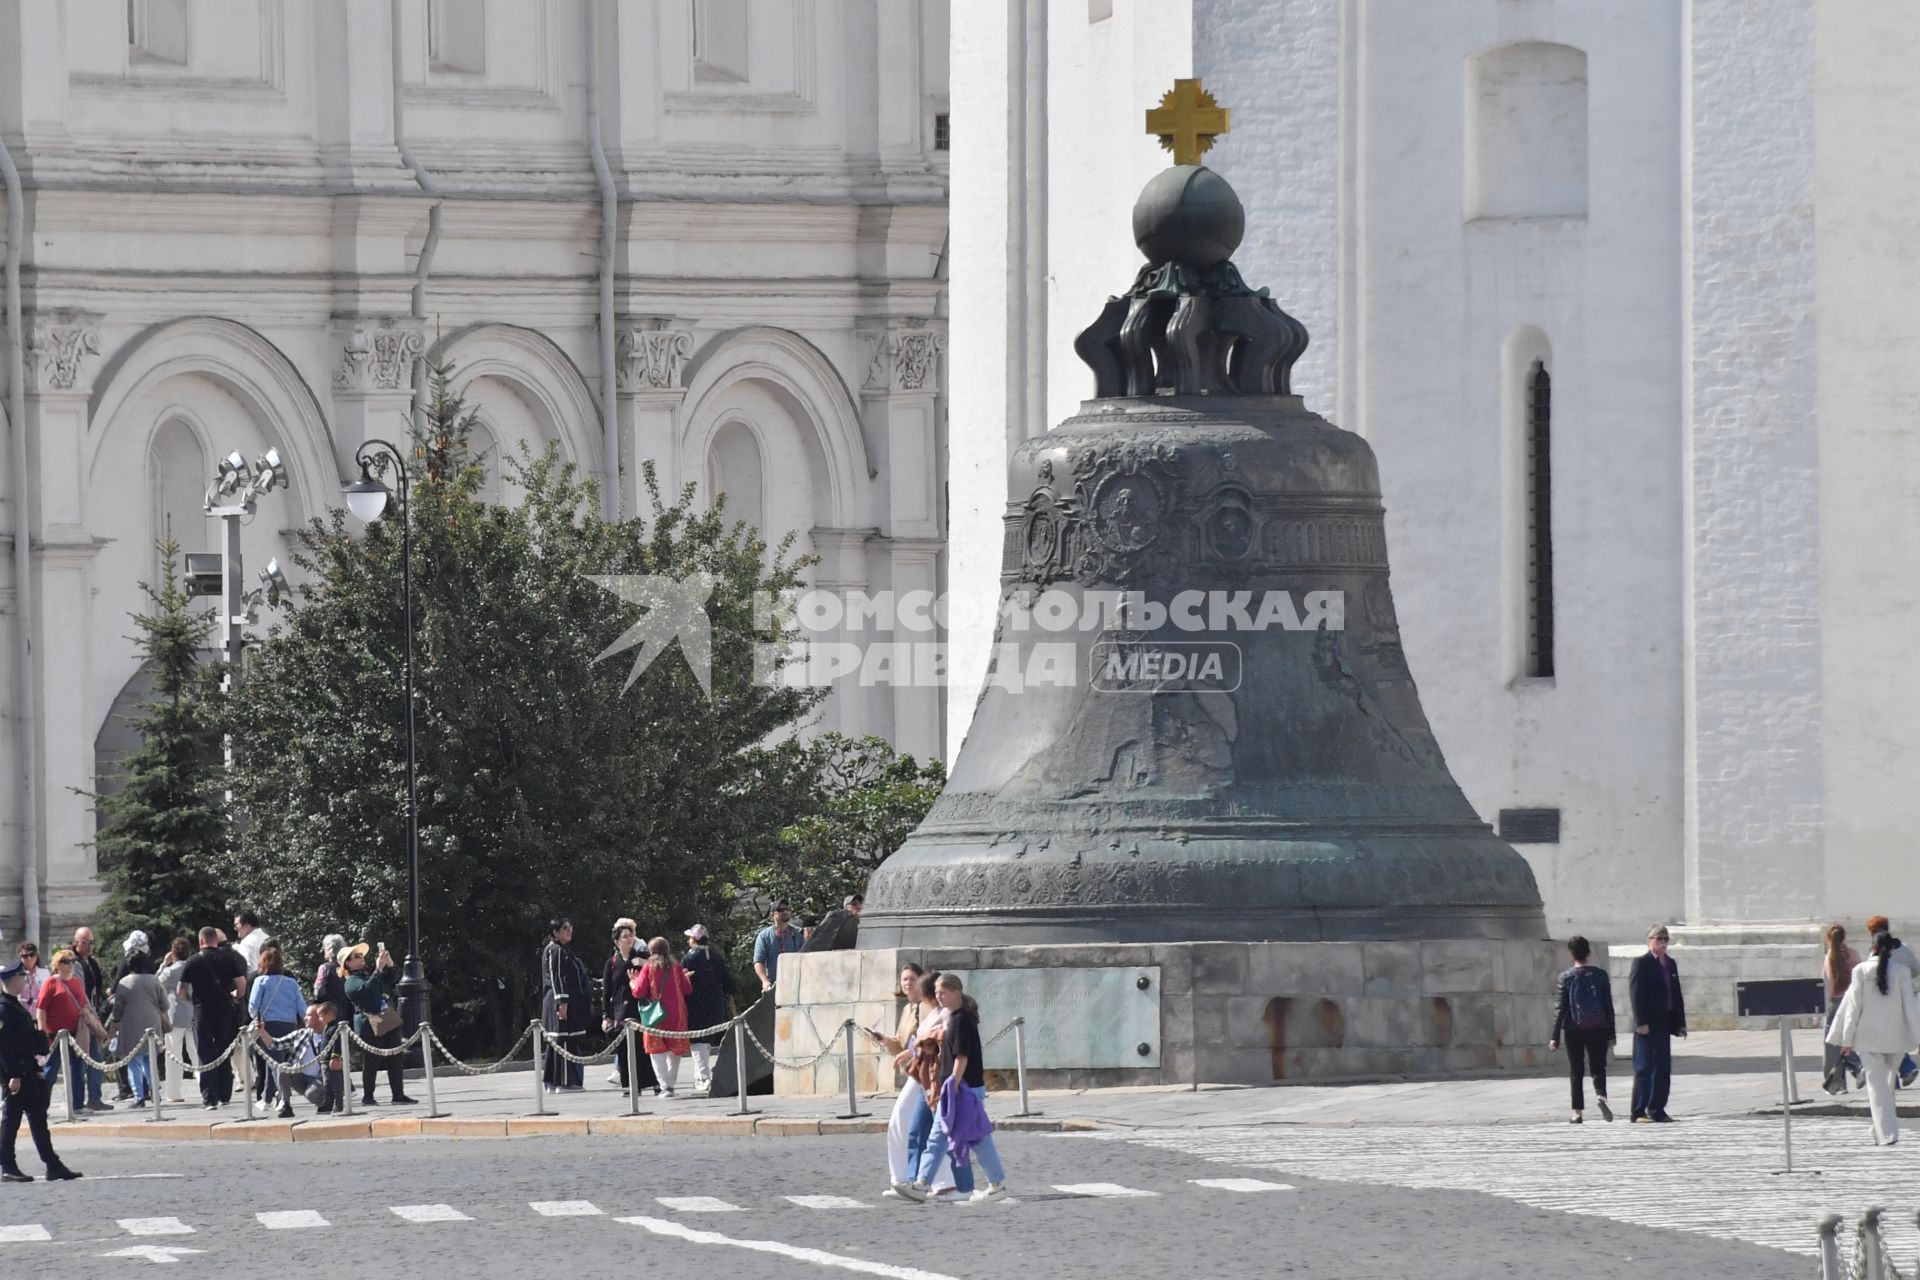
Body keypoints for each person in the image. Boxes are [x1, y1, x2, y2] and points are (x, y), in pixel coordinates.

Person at [898, 972, 1007, 1203]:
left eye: (943, 993)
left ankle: (922, 1185)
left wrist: (952, 1086)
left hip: (961, 1087)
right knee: (971, 1138)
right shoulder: (955, 1017)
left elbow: (962, 1057)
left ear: (956, 992)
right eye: (937, 993)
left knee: (950, 1136)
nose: (939, 997)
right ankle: (993, 1184)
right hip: (961, 1087)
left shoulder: (960, 1019)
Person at [1829, 931, 1920, 1146]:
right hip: (1896, 1038)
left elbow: (1853, 1008)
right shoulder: (1902, 971)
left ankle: (1886, 1132)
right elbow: (1910, 1008)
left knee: (1876, 1086)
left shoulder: (1860, 971)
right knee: (1886, 1085)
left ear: (1872, 948)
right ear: (1891, 949)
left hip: (1868, 1038)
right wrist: (1918, 1038)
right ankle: (1881, 1127)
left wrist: (1846, 1040)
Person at [0, 959, 80, 1183]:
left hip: (28, 1071)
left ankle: (53, 1165)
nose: (25, 980)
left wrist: (35, 1069)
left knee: (38, 1120)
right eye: (22, 977)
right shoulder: (4, 1010)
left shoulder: (15, 1006)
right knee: (11, 1121)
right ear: (12, 980)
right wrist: (13, 1075)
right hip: (17, 1075)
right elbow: (4, 1047)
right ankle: (7, 1165)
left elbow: (26, 1041)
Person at [177, 926, 247, 1109]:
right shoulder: (229, 958)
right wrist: (235, 996)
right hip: (225, 1011)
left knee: (205, 1055)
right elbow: (242, 983)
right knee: (224, 1051)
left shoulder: (192, 961)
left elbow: (181, 990)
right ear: (216, 939)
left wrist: (192, 1000)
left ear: (201, 941)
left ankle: (209, 1098)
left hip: (202, 1012)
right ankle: (225, 1094)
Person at [1548, 936, 1616, 1123]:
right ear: (1588, 953)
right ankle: (1601, 1096)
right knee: (1598, 1067)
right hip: (1599, 1027)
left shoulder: (1566, 977)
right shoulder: (1600, 975)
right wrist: (1612, 1033)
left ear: (1571, 954)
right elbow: (1608, 1006)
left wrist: (1555, 1037)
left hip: (1573, 1029)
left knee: (1576, 1071)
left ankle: (1577, 1113)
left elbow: (1560, 1009)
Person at [873, 962, 929, 1187]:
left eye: (912, 979)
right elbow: (901, 1043)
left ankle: (905, 1178)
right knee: (918, 1128)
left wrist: (907, 1052)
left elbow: (927, 1041)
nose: (907, 983)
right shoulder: (907, 1009)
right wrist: (886, 1041)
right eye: (904, 979)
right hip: (913, 1072)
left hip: (923, 1072)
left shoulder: (924, 1007)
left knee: (902, 1124)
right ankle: (918, 1178)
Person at [1628, 923, 1687, 1123]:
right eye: (1658, 939)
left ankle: (1657, 1108)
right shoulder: (1641, 963)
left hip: (1664, 1022)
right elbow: (1636, 995)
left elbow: (1676, 993)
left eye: (1665, 939)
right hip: (1648, 1023)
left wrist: (1680, 1022)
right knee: (1645, 1067)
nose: (1662, 942)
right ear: (1649, 941)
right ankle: (1638, 1111)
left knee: (1663, 1067)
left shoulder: (1670, 964)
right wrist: (1640, 1022)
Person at [342, 943, 413, 1105]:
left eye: (361, 955)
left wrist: (389, 964)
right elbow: (367, 989)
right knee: (371, 1062)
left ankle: (398, 1094)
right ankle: (368, 1096)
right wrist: (378, 969)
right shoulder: (351, 982)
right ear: (348, 963)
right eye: (357, 957)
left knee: (396, 1058)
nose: (362, 958)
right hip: (369, 1025)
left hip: (387, 1019)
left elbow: (390, 979)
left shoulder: (368, 974)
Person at [35, 950, 106, 1112]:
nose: (70, 965)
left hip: (76, 1032)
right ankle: (40, 1104)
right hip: (55, 1034)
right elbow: (41, 1009)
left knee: (78, 1069)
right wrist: (42, 1031)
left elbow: (83, 1005)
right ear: (57, 964)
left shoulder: (76, 982)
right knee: (50, 1070)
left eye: (72, 961)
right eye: (66, 962)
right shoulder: (51, 983)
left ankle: (77, 1104)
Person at [107, 946, 169, 1108]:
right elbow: (165, 1004)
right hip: (152, 1024)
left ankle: (139, 1096)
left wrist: (112, 1032)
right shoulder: (154, 980)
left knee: (133, 1061)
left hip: (131, 1026)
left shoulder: (124, 983)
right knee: (150, 1060)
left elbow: (117, 1010)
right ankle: (155, 1091)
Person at [632, 937, 694, 1096]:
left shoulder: (648, 968)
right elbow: (687, 990)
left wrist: (633, 981)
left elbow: (639, 992)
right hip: (677, 1014)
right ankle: (671, 1084)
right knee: (675, 1052)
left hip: (656, 1017)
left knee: (657, 1052)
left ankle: (666, 1086)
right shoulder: (676, 966)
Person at [247, 943, 305, 1109]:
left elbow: (253, 1005)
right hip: (289, 1024)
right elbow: (301, 1006)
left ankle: (281, 1097)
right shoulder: (291, 982)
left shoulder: (261, 981)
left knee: (274, 1062)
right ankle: (266, 1097)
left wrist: (256, 1018)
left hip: (269, 1025)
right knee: (276, 1061)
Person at [680, 924, 737, 1092]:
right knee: (706, 1040)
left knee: (697, 1039)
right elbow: (728, 982)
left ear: (694, 940)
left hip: (695, 1004)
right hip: (714, 1004)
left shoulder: (689, 958)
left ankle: (703, 1076)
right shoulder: (716, 957)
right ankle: (700, 1075)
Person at [600, 920, 655, 1094]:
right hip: (618, 1010)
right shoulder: (612, 962)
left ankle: (651, 1081)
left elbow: (655, 974)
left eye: (631, 935)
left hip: (638, 1007)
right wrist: (605, 1015)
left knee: (642, 1048)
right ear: (617, 941)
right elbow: (607, 991)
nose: (629, 938)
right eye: (625, 936)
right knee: (623, 1050)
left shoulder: (639, 957)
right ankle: (629, 1084)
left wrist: (646, 964)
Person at [1864, 915, 1920, 1087]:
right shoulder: (1904, 948)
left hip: (1883, 1004)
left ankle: (1903, 1069)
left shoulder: (1873, 954)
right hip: (1905, 1000)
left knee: (1885, 1041)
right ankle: (1901, 1072)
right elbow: (1916, 969)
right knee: (1895, 1038)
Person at [263, 1003, 343, 1119]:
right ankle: (285, 1104)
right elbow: (275, 1044)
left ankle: (325, 1104)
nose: (305, 1018)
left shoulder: (330, 1035)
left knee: (312, 1094)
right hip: (300, 1077)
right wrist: (261, 1031)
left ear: (320, 1017)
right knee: (284, 1066)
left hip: (319, 1079)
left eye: (309, 1015)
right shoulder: (302, 1034)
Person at [540, 918, 592, 1092]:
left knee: (563, 1041)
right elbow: (557, 977)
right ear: (555, 932)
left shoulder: (564, 950)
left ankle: (552, 1082)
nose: (569, 931)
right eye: (564, 928)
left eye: (570, 927)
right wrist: (561, 1002)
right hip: (559, 1002)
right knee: (562, 1041)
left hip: (565, 1001)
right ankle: (563, 1083)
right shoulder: (554, 950)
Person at [68, 927, 109, 1110]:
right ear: (76, 942)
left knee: (96, 1058)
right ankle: (77, 1101)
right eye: (85, 942)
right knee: (80, 1061)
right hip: (82, 1018)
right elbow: (81, 993)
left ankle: (95, 1098)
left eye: (91, 942)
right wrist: (94, 1019)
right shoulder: (74, 963)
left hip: (93, 1012)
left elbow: (95, 990)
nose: (89, 946)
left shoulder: (92, 962)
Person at [1823, 923, 1866, 1095]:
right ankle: (1859, 1067)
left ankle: (1837, 1083)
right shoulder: (1854, 955)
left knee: (1832, 1044)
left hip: (1836, 1002)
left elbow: (1828, 985)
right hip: (1853, 1002)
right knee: (1850, 1039)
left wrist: (1824, 1009)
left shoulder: (1830, 957)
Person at [155, 937, 196, 1104]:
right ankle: (204, 1085)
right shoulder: (195, 968)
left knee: (173, 1055)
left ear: (174, 953)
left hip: (175, 1015)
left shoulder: (170, 971)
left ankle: (174, 1093)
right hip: (193, 1012)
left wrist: (164, 964)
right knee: (196, 1052)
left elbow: (155, 983)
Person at [752, 901, 805, 995]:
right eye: (780, 910)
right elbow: (758, 961)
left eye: (787, 909)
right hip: (774, 983)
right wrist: (765, 981)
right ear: (772, 915)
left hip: (797, 982)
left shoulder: (799, 933)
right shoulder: (764, 936)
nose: (785, 912)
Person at [11, 943, 48, 1018]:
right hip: (20, 1015)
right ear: (20, 957)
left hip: (41, 1015)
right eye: (25, 956)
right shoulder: (14, 975)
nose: (29, 958)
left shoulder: (46, 973)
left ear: (36, 956)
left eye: (32, 955)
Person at [231, 911, 271, 976]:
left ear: (247, 924)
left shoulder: (247, 943)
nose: (235, 928)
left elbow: (250, 969)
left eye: (236, 925)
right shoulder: (267, 937)